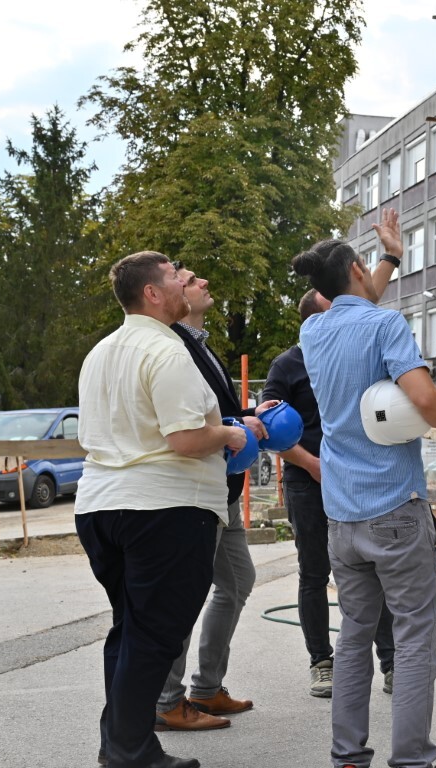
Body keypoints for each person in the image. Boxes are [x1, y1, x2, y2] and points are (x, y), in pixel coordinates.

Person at [292, 207, 436, 768]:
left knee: (352, 640)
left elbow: (356, 301)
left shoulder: (313, 329)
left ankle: (348, 755)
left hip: (342, 516)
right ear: (354, 269)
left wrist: (390, 258)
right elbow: (422, 398)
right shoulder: (385, 325)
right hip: (395, 508)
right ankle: (412, 760)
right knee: (416, 640)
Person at [75, 251, 249, 768]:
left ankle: (122, 744)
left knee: (130, 631)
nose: (184, 282)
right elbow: (185, 438)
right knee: (153, 638)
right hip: (165, 508)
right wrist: (233, 432)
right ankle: (130, 752)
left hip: (101, 506)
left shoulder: (101, 351)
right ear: (152, 292)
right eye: (175, 275)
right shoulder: (168, 351)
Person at [153, 262, 272, 731]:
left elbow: (213, 413)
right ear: (170, 293)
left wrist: (247, 414)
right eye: (190, 278)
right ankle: (166, 700)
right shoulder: (171, 346)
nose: (203, 282)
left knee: (238, 581)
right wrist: (236, 424)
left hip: (222, 489)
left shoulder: (201, 347)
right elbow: (185, 427)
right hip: (194, 491)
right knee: (185, 592)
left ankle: (205, 689)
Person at [261, 288, 396, 699]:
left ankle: (391, 663)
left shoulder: (345, 357)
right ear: (314, 319)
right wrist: (310, 464)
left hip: (355, 479)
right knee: (315, 573)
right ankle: (322, 663)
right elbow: (269, 427)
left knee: (374, 569)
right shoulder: (286, 366)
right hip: (308, 482)